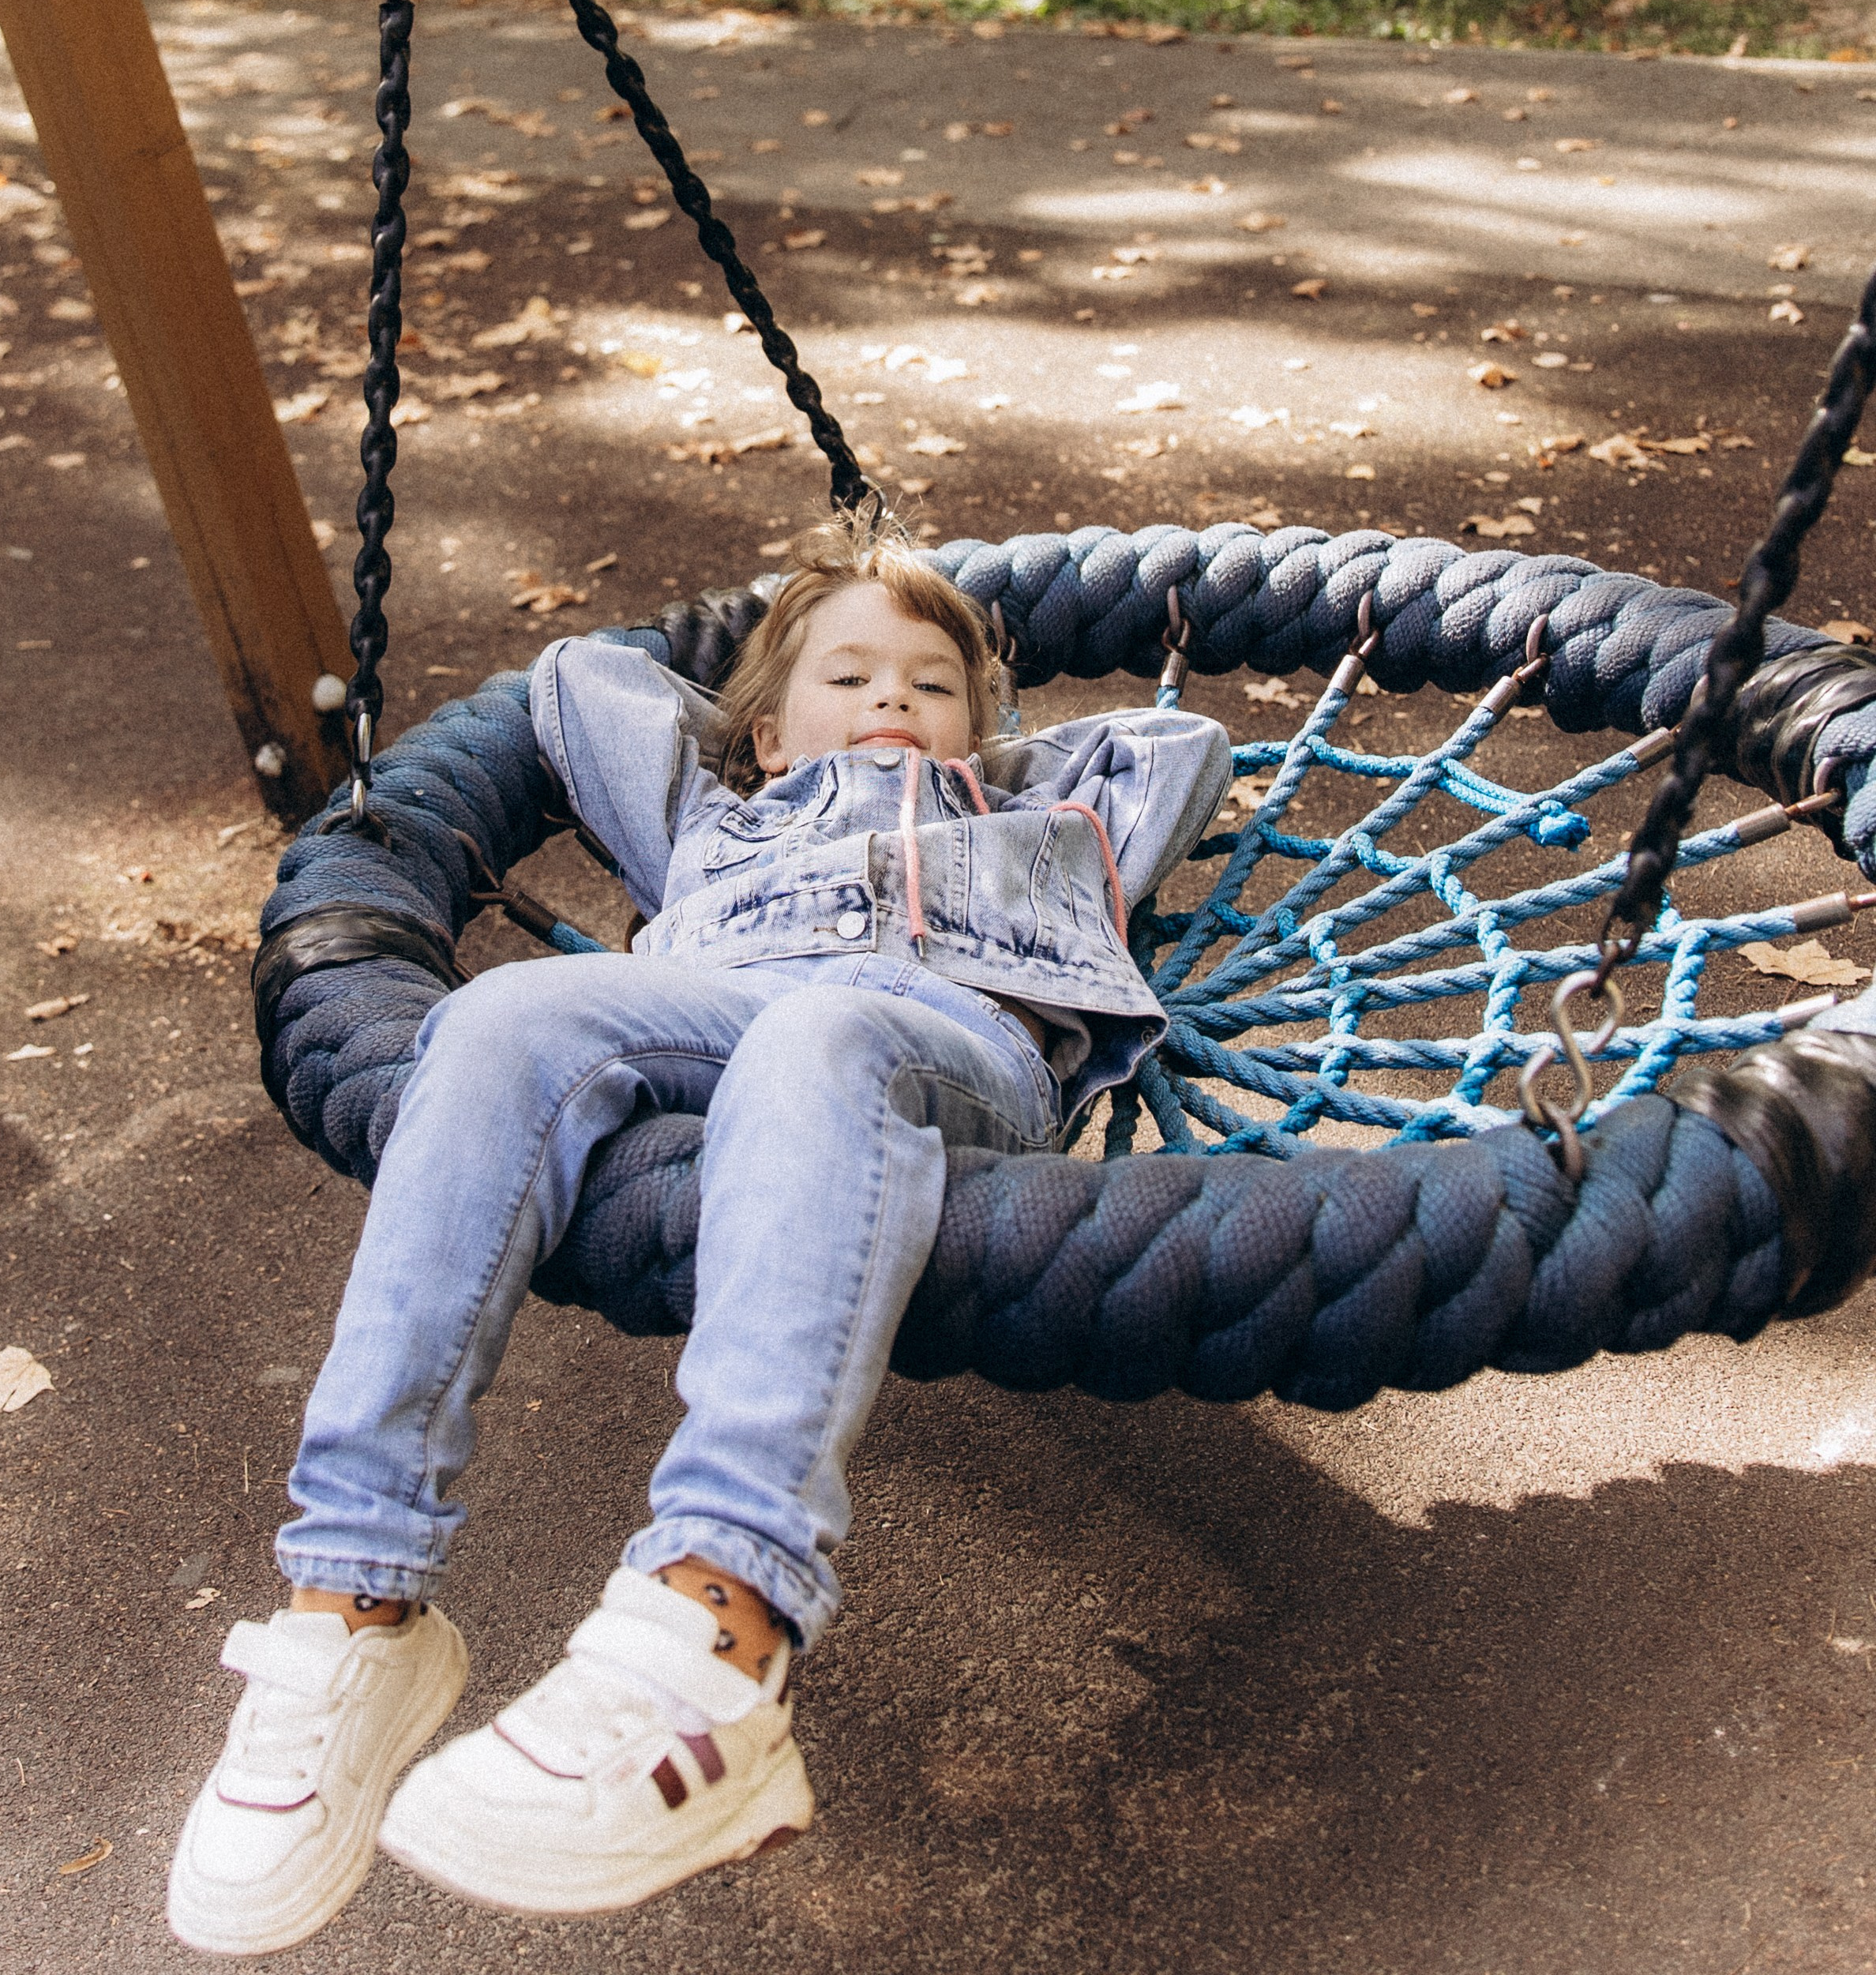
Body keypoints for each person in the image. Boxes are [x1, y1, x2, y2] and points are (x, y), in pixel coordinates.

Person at [167, 513, 1233, 1955]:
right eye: (847, 680)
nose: (892, 702)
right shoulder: (715, 817)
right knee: (499, 1019)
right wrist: (775, 704)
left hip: (940, 1039)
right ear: (768, 735)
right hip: (717, 1002)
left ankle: (720, 1629)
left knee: (819, 1035)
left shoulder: (1040, 821)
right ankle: (354, 1605)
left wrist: (987, 751)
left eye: (931, 685)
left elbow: (1183, 747)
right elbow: (581, 681)